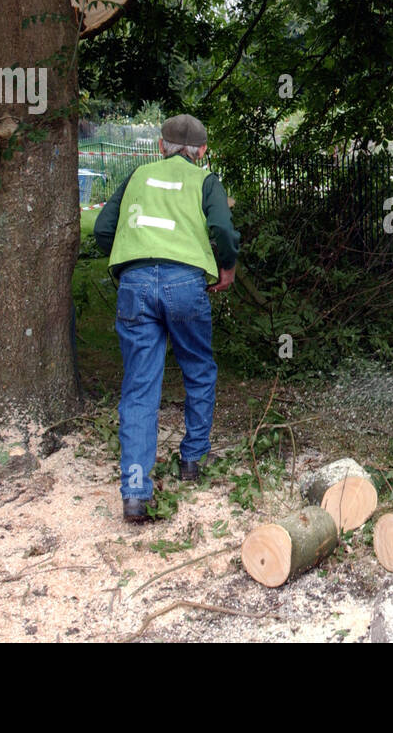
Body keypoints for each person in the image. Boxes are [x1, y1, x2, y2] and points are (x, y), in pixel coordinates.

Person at [94, 114, 240, 522]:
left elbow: (104, 229)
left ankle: (136, 493)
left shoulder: (138, 174)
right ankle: (192, 460)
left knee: (140, 385)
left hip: (135, 283)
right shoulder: (205, 181)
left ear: (161, 146)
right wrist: (226, 266)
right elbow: (224, 231)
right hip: (185, 285)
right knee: (197, 367)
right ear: (202, 151)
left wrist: (128, 253)